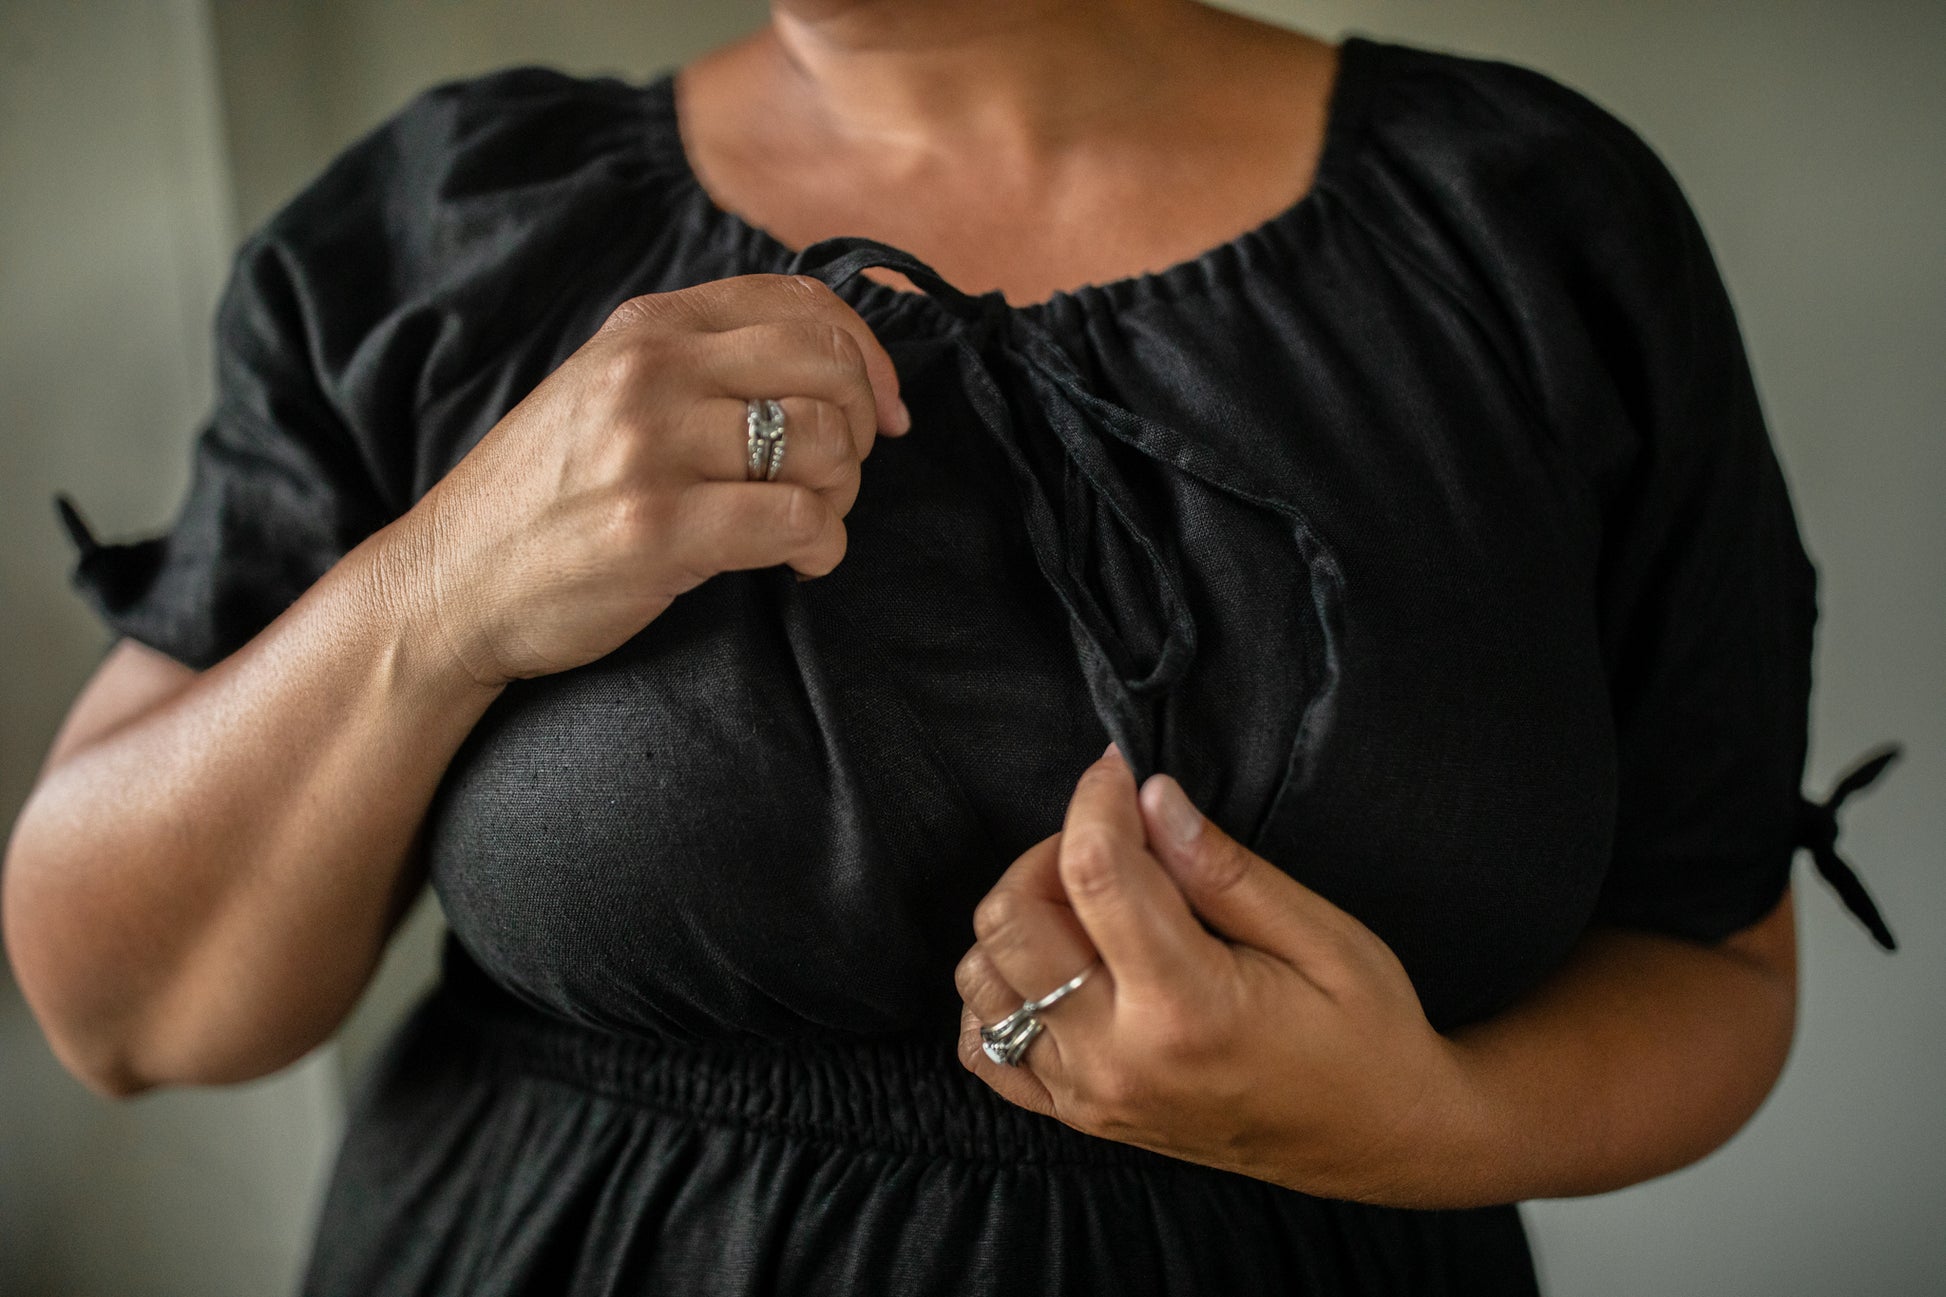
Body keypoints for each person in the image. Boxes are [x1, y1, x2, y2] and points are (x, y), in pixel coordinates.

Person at [2, 2, 1901, 1293]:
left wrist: (1428, 1124)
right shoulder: (448, 229)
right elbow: (127, 1011)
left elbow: (1715, 964)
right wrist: (438, 591)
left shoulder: (1536, 226)